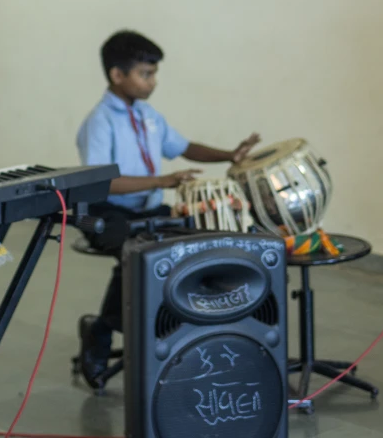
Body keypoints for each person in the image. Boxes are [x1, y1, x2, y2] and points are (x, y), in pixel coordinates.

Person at [73, 30, 260, 388]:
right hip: (106, 210)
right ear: (117, 75)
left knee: (181, 248)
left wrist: (229, 155)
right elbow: (99, 182)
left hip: (146, 209)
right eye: (145, 74)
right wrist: (162, 181)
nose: (152, 82)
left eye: (153, 73)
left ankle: (156, 332)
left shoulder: (148, 115)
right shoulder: (100, 121)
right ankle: (102, 330)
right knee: (138, 252)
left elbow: (184, 146)